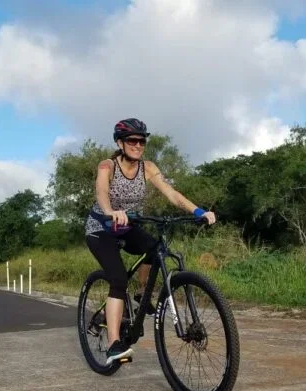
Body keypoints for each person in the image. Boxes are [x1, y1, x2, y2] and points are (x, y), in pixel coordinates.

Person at [84, 118, 216, 365]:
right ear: (120, 143)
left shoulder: (148, 168)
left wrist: (198, 211)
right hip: (100, 228)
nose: (138, 145)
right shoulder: (108, 166)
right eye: (133, 140)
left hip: (126, 227)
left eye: (142, 141)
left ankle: (141, 294)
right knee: (118, 280)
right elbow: (101, 192)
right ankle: (113, 344)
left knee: (157, 249)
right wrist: (110, 211)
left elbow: (172, 193)